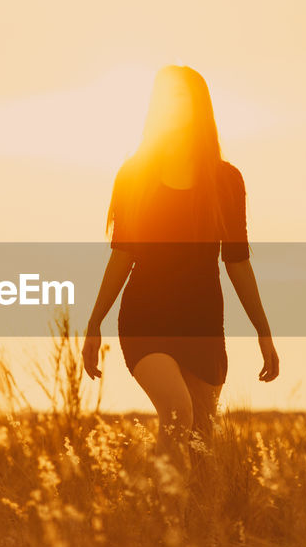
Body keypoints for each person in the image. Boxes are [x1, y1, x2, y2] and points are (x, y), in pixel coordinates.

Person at [81, 64, 278, 463]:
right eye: (163, 97)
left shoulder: (226, 181)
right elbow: (123, 253)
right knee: (177, 414)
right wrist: (94, 322)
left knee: (201, 443)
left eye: (180, 97)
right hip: (145, 318)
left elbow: (237, 261)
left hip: (203, 321)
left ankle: (187, 522)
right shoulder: (135, 175)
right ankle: (157, 517)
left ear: (198, 107)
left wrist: (264, 331)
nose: (171, 106)